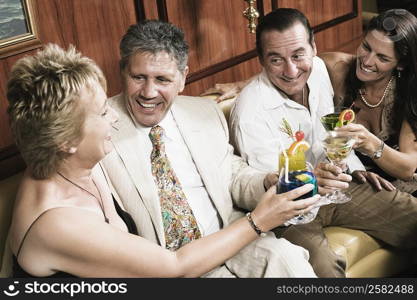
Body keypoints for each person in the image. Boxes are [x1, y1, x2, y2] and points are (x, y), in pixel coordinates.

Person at [6, 43, 318, 278]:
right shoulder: (56, 223)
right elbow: (174, 267)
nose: (114, 117)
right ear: (66, 141)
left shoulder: (71, 160)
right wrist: (260, 220)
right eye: (102, 113)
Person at [96, 19, 319, 278]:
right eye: (138, 77)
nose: (148, 92)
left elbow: (233, 175)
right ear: (123, 71)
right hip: (172, 264)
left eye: (162, 79)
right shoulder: (100, 129)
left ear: (182, 78)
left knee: (288, 259)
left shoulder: (204, 112)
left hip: (232, 239)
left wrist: (266, 182)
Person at [229, 8, 417, 277]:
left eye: (297, 55)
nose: (291, 70)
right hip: (291, 211)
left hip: (338, 188)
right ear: (261, 60)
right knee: (322, 268)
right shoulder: (250, 112)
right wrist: (314, 179)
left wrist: (353, 169)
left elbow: (331, 138)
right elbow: (274, 190)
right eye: (276, 60)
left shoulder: (318, 70)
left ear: (313, 48)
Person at [321, 9, 417, 195]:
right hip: (354, 180)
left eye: (382, 58)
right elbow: (275, 75)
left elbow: (407, 168)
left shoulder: (409, 93)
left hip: (405, 187)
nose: (367, 61)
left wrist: (370, 143)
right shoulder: (336, 67)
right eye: (366, 47)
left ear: (401, 64)